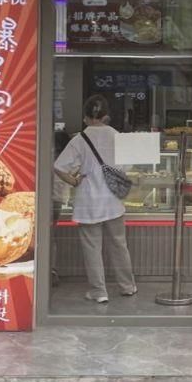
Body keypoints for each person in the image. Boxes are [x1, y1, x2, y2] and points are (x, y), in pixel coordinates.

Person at [53, 94, 137, 303]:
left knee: (92, 248)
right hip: (113, 201)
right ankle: (127, 286)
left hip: (89, 201)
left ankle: (99, 292)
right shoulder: (117, 136)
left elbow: (59, 167)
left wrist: (74, 181)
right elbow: (127, 167)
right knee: (119, 245)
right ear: (106, 115)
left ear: (85, 117)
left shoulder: (79, 140)